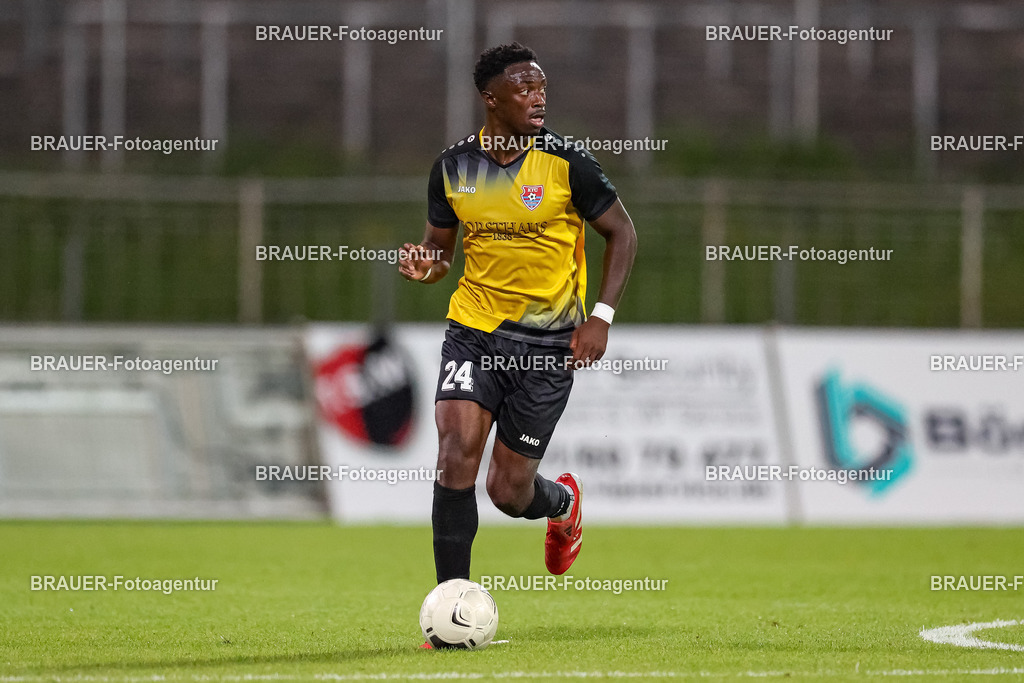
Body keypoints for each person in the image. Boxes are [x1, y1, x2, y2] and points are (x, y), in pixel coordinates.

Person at [398, 41, 637, 611]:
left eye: (543, 89)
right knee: (455, 449)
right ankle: (451, 604)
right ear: (491, 99)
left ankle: (562, 506)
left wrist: (600, 318)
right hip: (473, 330)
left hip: (548, 345)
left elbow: (622, 233)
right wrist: (425, 267)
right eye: (525, 89)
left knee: (507, 491)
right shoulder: (453, 167)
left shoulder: (568, 163)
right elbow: (439, 252)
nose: (538, 98)